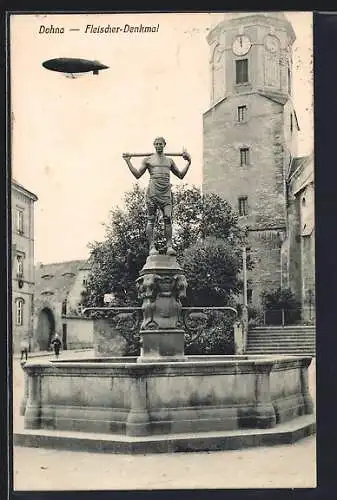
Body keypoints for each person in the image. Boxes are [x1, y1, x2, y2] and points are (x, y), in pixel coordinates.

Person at [123, 137, 191, 256]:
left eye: (161, 144)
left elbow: (180, 175)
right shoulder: (148, 160)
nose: (159, 146)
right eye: (157, 144)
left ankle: (169, 246)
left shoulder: (169, 161)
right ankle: (152, 247)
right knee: (151, 220)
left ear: (164, 145)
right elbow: (137, 175)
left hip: (166, 192)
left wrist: (188, 162)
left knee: (168, 218)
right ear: (154, 145)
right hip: (153, 192)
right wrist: (128, 161)